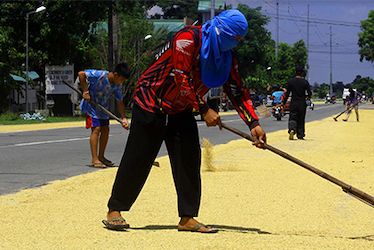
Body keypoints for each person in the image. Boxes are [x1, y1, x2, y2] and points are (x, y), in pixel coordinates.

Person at [103, 9, 267, 232]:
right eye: (234, 39)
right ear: (222, 31)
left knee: (189, 158)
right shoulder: (187, 38)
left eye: (238, 41)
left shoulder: (225, 56)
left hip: (181, 107)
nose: (234, 45)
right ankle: (115, 209)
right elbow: (181, 77)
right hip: (151, 100)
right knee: (139, 156)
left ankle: (187, 217)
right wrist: (204, 109)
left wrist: (253, 123)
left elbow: (237, 90)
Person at [78, 63, 130, 168]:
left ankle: (101, 156)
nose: (121, 82)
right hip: (90, 106)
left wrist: (124, 118)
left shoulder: (117, 85)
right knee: (96, 129)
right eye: (121, 79)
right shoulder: (99, 75)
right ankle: (94, 159)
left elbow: (119, 101)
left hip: (102, 108)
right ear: (115, 74)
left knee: (106, 130)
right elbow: (81, 74)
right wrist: (85, 91)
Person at [282, 66, 312, 140]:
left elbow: (287, 93)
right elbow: (309, 93)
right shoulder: (305, 82)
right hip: (302, 103)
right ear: (302, 73)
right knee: (301, 118)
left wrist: (284, 102)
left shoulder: (291, 81)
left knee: (293, 117)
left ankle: (292, 129)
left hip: (294, 102)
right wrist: (308, 97)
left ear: (295, 72)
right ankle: (300, 135)